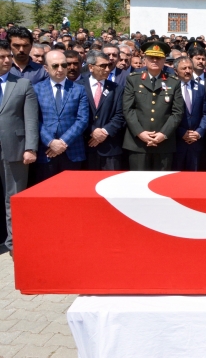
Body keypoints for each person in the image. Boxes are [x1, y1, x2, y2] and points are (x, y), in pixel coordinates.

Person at [0, 40, 39, 257]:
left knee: (13, 197)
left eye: (8, 56)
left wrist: (30, 147)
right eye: (2, 57)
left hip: (15, 149)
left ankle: (14, 244)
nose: (7, 60)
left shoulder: (22, 84)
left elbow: (31, 119)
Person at [122, 41, 184, 171]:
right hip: (138, 143)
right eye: (151, 57)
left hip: (164, 143)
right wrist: (140, 133)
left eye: (159, 58)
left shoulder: (173, 82)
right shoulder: (133, 79)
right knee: (138, 184)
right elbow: (128, 109)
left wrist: (163, 134)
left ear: (164, 60)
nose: (155, 60)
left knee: (161, 184)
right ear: (144, 60)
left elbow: (177, 112)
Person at [33, 50, 89, 182]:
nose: (60, 69)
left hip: (72, 150)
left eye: (64, 65)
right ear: (46, 68)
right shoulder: (36, 89)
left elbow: (82, 119)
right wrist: (51, 142)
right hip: (46, 151)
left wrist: (63, 142)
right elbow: (34, 120)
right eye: (55, 65)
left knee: (72, 194)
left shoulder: (79, 89)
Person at [79, 50, 125, 171]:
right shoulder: (78, 87)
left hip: (110, 148)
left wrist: (104, 132)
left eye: (108, 65)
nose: (107, 69)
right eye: (102, 66)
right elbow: (74, 115)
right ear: (90, 67)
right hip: (85, 146)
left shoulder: (117, 89)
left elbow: (120, 115)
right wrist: (92, 131)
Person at [172, 57, 206, 171]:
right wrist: (182, 132)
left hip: (196, 142)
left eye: (190, 68)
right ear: (176, 71)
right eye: (184, 68)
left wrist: (199, 132)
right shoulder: (169, 88)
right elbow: (167, 114)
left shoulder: (200, 88)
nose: (188, 71)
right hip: (177, 141)